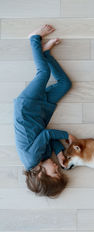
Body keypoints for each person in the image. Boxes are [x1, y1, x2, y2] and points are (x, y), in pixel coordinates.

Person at [13, 24, 72, 197]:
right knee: (65, 85)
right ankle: (46, 54)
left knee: (43, 73)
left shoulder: (31, 159)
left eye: (55, 172)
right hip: (40, 111)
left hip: (27, 106)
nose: (56, 167)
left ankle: (33, 38)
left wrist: (67, 136)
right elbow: (49, 142)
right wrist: (60, 153)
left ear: (40, 174)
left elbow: (47, 135)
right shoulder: (43, 159)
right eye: (58, 171)